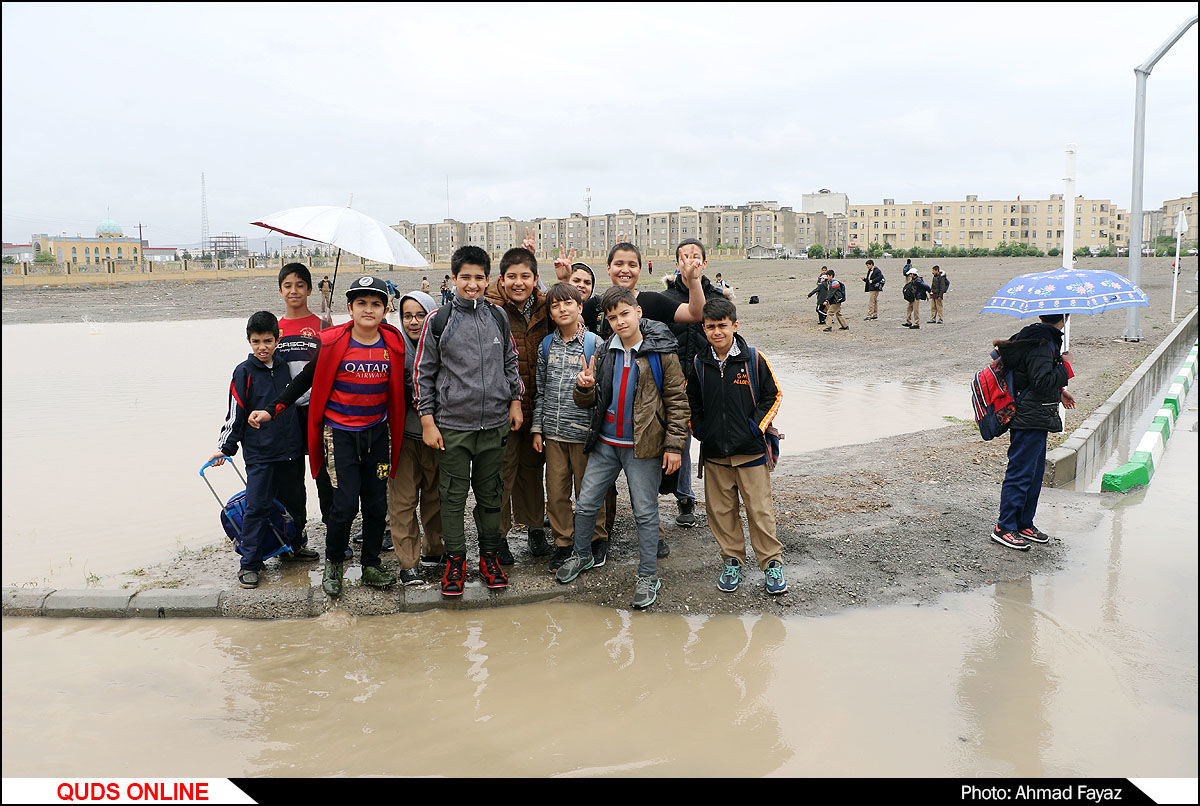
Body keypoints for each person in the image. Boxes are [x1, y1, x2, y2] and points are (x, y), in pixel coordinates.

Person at [248, 276, 405, 597]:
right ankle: (334, 564)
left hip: (377, 436)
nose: (368, 309)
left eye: (375, 304)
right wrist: (271, 409)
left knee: (376, 504)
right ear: (349, 308)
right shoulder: (332, 344)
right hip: (340, 437)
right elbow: (303, 381)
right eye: (361, 303)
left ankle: (371, 564)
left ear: (385, 308)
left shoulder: (392, 345)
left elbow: (405, 387)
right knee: (343, 505)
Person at [552, 238, 704, 555]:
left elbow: (695, 313)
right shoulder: (595, 305)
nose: (625, 269)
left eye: (632, 264)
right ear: (608, 268)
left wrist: (692, 281)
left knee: (643, 485)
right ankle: (600, 537)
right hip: (605, 408)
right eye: (618, 264)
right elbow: (566, 314)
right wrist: (564, 282)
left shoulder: (653, 300)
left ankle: (654, 534)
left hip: (646, 410)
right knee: (598, 486)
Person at [554, 286, 689, 611]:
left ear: (638, 312)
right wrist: (583, 388)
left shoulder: (662, 353)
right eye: (612, 317)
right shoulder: (604, 351)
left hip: (642, 448)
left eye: (624, 313)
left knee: (645, 514)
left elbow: (677, 403)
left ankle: (647, 576)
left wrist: (673, 446)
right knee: (585, 505)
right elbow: (590, 402)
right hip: (605, 445)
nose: (619, 321)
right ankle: (583, 554)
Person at [414, 246, 524, 596]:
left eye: (479, 278)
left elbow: (510, 361)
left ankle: (489, 557)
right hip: (452, 428)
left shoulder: (498, 317)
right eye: (466, 278)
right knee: (452, 497)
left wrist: (515, 400)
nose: (472, 284)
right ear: (454, 279)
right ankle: (456, 561)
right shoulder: (439, 320)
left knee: (491, 496)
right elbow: (423, 374)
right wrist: (428, 421)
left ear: (488, 280)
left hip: (494, 425)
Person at [686, 297, 786, 594]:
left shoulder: (754, 359)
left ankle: (772, 564)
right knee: (721, 512)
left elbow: (774, 395)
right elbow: (692, 401)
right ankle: (732, 561)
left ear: (735, 326)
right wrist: (701, 430)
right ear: (704, 329)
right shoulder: (699, 363)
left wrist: (755, 426)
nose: (717, 332)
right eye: (710, 327)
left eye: (722, 326)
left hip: (752, 453)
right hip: (715, 455)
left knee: (760, 511)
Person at [209, 311, 314, 590]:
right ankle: (250, 563)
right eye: (256, 342)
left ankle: (293, 547)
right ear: (248, 341)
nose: (262, 347)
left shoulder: (285, 367)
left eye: (268, 340)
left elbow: (298, 401)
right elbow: (235, 414)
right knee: (257, 507)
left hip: (290, 450)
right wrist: (225, 448)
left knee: (295, 502)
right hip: (259, 454)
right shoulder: (242, 373)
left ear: (277, 339)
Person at [531, 282, 608, 571]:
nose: (562, 309)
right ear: (550, 312)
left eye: (568, 304)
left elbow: (603, 395)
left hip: (585, 434)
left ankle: (596, 539)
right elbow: (540, 390)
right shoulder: (546, 345)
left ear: (580, 307)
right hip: (553, 433)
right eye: (555, 305)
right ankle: (563, 543)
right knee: (557, 491)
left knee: (588, 490)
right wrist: (537, 429)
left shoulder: (594, 345)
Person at [485, 247, 552, 562]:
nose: (518, 282)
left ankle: (536, 529)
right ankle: (498, 538)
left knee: (532, 469)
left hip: (537, 405)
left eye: (525, 276)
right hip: (501, 407)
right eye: (512, 276)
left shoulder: (545, 306)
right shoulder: (488, 307)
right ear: (501, 278)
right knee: (501, 473)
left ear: (536, 279)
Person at [991, 314, 1076, 550]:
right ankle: (1005, 527)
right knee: (1021, 472)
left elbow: (1033, 374)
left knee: (1035, 473)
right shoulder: (1041, 342)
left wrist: (1059, 392)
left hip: (1037, 416)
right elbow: (1040, 380)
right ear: (1066, 317)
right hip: (1028, 417)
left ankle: (1024, 523)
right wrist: (1067, 366)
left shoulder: (1041, 338)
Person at [659, 239, 727, 531]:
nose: (690, 262)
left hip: (709, 378)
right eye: (684, 257)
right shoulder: (664, 298)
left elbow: (728, 337)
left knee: (714, 437)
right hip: (674, 382)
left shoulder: (718, 298)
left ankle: (721, 500)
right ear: (676, 264)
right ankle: (685, 497)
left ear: (704, 263)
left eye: (696, 257)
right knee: (681, 440)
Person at [274, 263, 334, 555]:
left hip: (318, 409)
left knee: (325, 473)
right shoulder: (274, 329)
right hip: (286, 414)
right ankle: (294, 540)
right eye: (288, 285)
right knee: (291, 478)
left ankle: (336, 534)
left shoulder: (323, 324)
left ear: (310, 289)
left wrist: (331, 333)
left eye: (300, 285)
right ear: (280, 290)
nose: (294, 291)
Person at [390, 289, 445, 585]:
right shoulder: (393, 347)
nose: (413, 322)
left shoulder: (442, 344)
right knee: (402, 502)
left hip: (437, 435)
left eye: (420, 315)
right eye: (407, 315)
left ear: (431, 315)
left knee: (436, 497)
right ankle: (408, 563)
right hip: (402, 437)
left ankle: (435, 550)